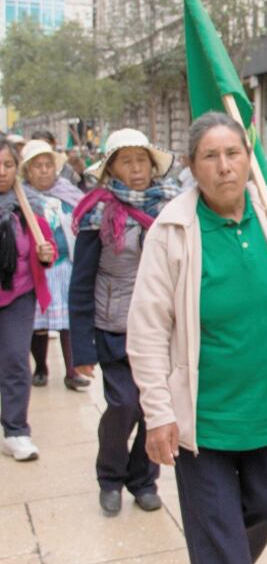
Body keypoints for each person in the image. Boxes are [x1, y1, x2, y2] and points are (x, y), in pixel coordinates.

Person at [127, 112, 267, 564]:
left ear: (249, 159)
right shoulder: (172, 230)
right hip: (204, 417)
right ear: (193, 168)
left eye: (233, 153)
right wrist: (157, 413)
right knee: (219, 545)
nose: (224, 166)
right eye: (210, 157)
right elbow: (147, 328)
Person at [69, 128, 179, 516]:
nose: (136, 169)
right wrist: (80, 349)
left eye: (142, 160)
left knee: (156, 409)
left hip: (163, 329)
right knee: (124, 404)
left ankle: (144, 480)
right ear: (111, 168)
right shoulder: (97, 214)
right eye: (126, 161)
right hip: (114, 327)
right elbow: (80, 284)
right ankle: (110, 477)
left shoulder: (173, 209)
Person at [0, 135, 57, 462]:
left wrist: (46, 254)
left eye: (8, 165)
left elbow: (46, 247)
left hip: (19, 296)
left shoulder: (27, 207)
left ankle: (16, 431)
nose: (3, 172)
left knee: (14, 360)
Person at [19, 140, 90, 392]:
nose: (44, 170)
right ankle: (40, 367)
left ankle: (72, 372)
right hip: (37, 270)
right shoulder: (20, 199)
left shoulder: (69, 194)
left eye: (48, 165)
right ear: (28, 171)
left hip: (66, 265)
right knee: (38, 323)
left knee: (68, 321)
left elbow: (82, 224)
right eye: (37, 166)